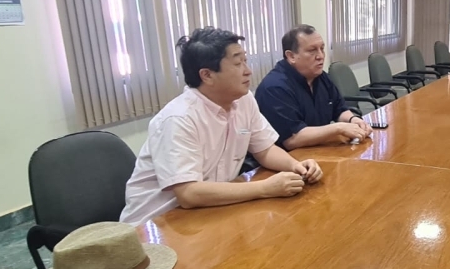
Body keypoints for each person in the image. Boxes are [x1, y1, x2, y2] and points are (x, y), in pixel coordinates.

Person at [120, 27, 323, 226]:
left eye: (245, 60)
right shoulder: (178, 119)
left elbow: (265, 149)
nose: (248, 71)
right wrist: (265, 188)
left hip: (210, 211)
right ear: (207, 75)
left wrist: (296, 166)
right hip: (156, 227)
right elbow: (189, 194)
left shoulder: (243, 100)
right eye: (237, 63)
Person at [255, 25, 372, 149]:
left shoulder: (321, 77)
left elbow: (339, 109)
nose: (320, 56)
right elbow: (292, 139)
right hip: (290, 159)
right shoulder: (275, 88)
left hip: (319, 149)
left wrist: (353, 120)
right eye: (312, 51)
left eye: (322, 48)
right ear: (291, 56)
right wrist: (338, 128)